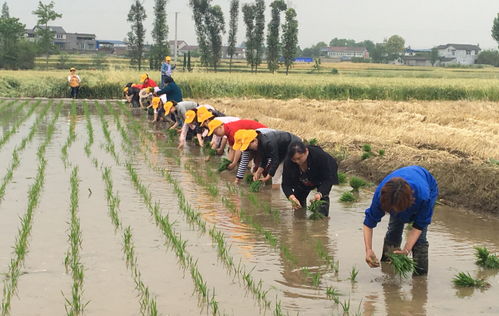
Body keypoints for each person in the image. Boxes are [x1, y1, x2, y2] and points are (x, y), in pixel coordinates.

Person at [362, 165, 438, 275]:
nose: (395, 211)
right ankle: (388, 271)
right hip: (398, 195)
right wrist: (368, 249)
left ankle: (420, 279)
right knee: (394, 230)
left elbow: (419, 226)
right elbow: (368, 223)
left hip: (426, 184)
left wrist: (406, 250)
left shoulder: (423, 197)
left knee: (419, 240)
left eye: (398, 209)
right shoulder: (382, 195)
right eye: (391, 209)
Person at [281, 140, 339, 217]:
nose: (297, 161)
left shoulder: (320, 157)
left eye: (299, 158)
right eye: (294, 159)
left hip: (323, 172)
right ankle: (299, 220)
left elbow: (327, 180)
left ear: (306, 152)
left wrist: (319, 194)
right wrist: (292, 197)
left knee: (322, 198)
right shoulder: (289, 162)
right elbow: (285, 184)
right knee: (298, 197)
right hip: (303, 175)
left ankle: (321, 221)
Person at [233, 129, 301, 187]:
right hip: (281, 152)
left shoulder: (268, 142)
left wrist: (268, 176)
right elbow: (264, 158)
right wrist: (258, 172)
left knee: (277, 178)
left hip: (293, 146)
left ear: (255, 140)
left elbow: (275, 160)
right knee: (274, 175)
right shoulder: (260, 143)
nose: (249, 149)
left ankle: (276, 197)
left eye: (248, 146)